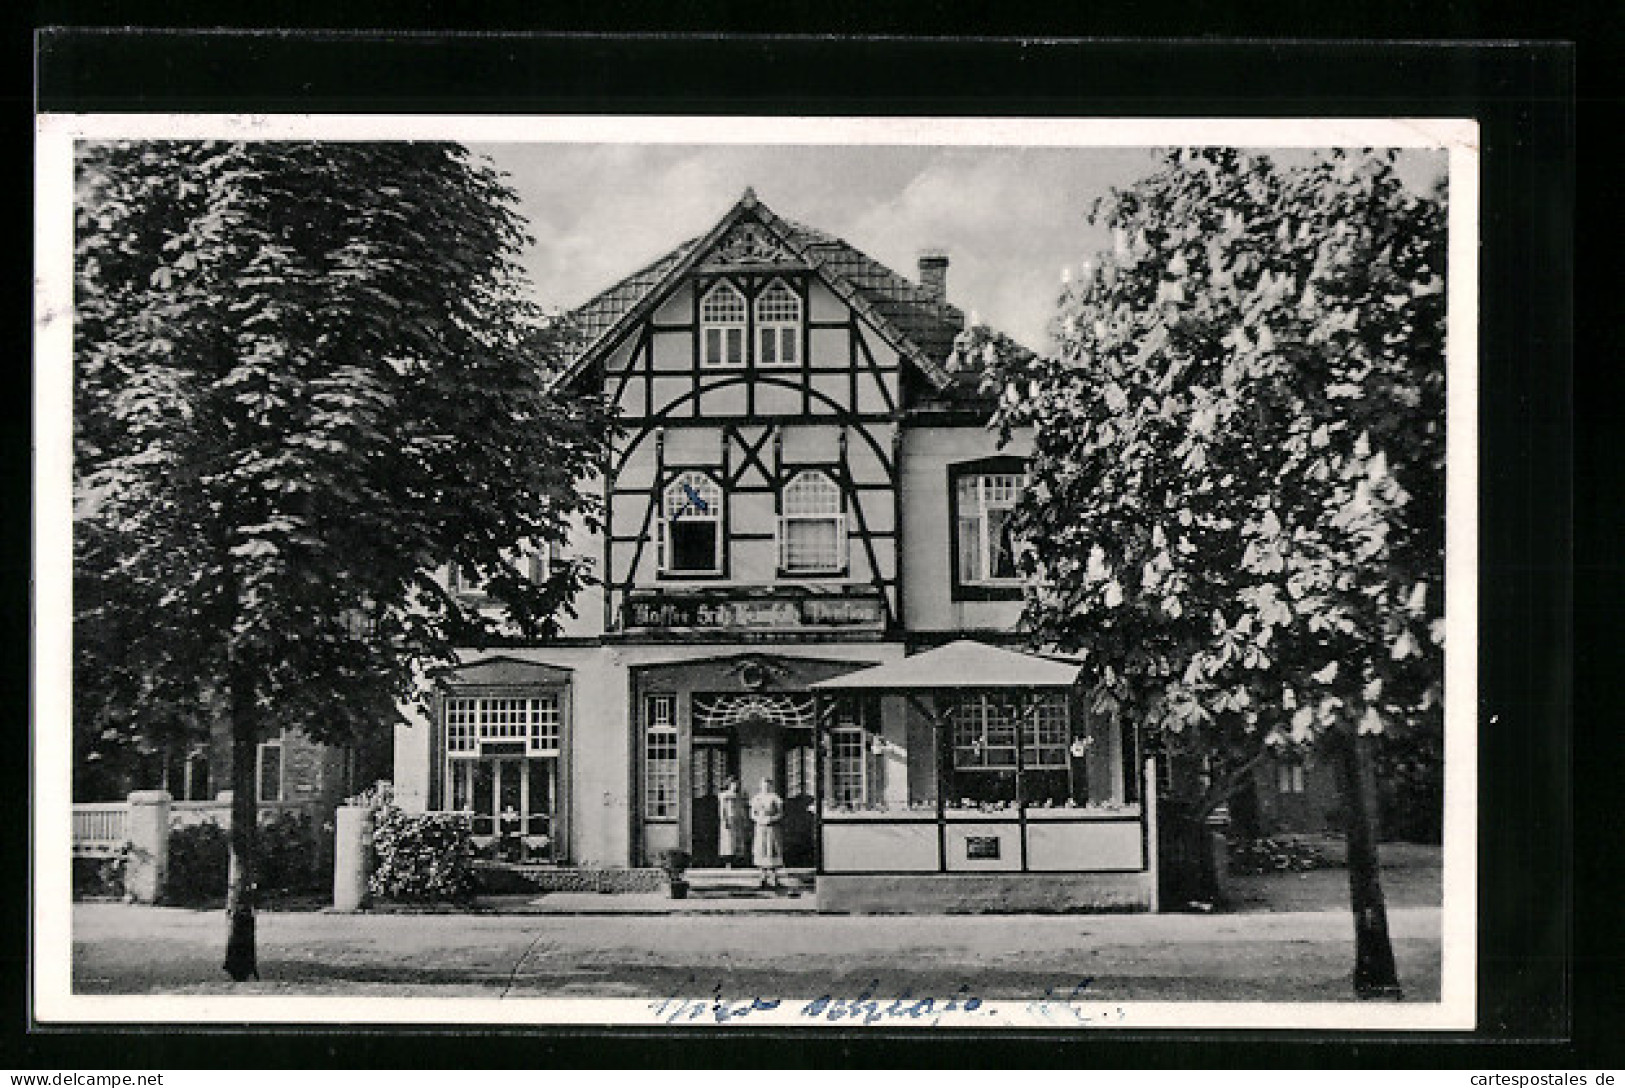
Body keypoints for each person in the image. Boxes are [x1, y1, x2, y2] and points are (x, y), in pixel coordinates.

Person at [749, 777, 785, 890]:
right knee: (761, 849)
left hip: (772, 827)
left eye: (768, 785)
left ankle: (774, 878)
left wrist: (772, 819)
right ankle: (762, 878)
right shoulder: (757, 798)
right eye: (763, 785)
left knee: (772, 849)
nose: (765, 787)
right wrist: (759, 819)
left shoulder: (775, 798)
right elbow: (752, 814)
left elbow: (780, 813)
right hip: (760, 827)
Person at [717, 777, 744, 868]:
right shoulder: (724, 796)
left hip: (737, 820)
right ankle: (728, 862)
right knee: (728, 841)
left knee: (737, 840)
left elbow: (740, 809)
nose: (735, 786)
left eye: (736, 784)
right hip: (728, 819)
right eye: (733, 784)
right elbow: (722, 809)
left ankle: (737, 861)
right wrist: (724, 820)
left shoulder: (738, 796)